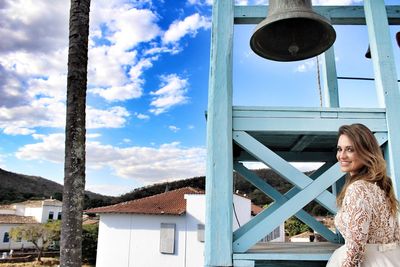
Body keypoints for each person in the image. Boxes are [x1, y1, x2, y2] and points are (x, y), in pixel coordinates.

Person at [326, 123, 400, 267]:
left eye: (350, 150)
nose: (342, 156)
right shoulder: (381, 188)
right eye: (339, 149)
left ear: (365, 152)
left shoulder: (358, 189)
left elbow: (355, 250)